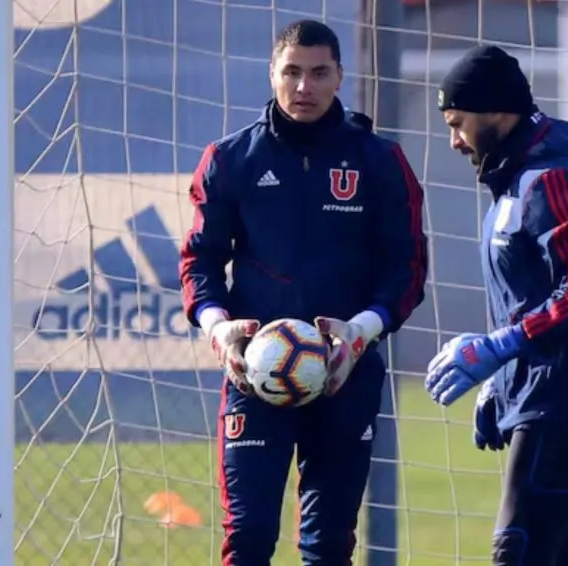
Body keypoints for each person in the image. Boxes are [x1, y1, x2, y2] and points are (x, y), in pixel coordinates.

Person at [179, 19, 429, 566]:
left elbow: (406, 271)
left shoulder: (380, 162)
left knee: (328, 548)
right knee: (246, 540)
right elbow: (199, 260)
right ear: (271, 74)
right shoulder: (230, 160)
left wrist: (359, 333)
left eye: (318, 73)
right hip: (254, 373)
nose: (303, 87)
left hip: (346, 372)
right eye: (291, 72)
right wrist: (220, 327)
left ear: (340, 76)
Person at [422, 45, 568, 566]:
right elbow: (530, 300)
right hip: (544, 397)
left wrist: (501, 346)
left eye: (458, 122)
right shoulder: (513, 183)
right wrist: (502, 378)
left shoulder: (554, 180)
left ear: (497, 110)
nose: (453, 140)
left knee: (516, 552)